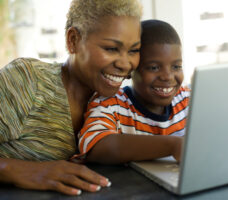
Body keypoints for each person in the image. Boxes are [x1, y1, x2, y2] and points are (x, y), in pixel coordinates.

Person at [0, 0, 142, 196]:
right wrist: (24, 170)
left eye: (134, 50)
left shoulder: (118, 105)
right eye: (111, 48)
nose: (125, 64)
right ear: (73, 40)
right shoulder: (28, 80)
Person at [75, 19, 190, 164]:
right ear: (131, 69)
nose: (167, 76)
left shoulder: (187, 99)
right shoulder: (110, 104)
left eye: (176, 67)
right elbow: (96, 146)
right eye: (154, 68)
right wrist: (173, 145)